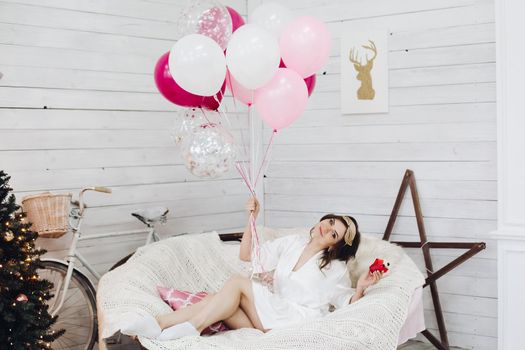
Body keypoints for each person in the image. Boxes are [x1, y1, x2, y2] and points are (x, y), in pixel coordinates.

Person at [120, 197, 384, 340]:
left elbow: (345, 301)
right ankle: (159, 324)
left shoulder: (335, 269)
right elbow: (247, 255)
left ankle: (191, 326)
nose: (327, 227)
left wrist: (361, 287)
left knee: (237, 283)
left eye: (334, 233)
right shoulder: (293, 243)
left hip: (291, 320)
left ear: (335, 246)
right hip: (268, 316)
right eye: (330, 221)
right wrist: (251, 219)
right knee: (220, 301)